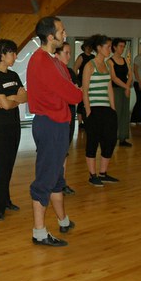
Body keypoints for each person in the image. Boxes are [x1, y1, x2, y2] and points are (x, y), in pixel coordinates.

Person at [26, 16, 82, 248]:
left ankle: (63, 220)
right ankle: (39, 232)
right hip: (50, 125)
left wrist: (73, 89)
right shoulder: (42, 61)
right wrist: (76, 90)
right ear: (50, 37)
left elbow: (69, 86)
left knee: (57, 177)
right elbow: (73, 94)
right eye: (61, 31)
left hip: (58, 124)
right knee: (45, 179)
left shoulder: (53, 60)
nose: (65, 34)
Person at [0, 39, 27, 220]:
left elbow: (26, 97)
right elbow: (3, 105)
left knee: (9, 165)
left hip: (14, 126)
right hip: (0, 128)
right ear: (2, 55)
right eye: (12, 53)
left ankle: (6, 200)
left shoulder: (14, 75)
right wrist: (13, 98)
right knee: (1, 166)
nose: (15, 56)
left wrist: (10, 99)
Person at [82, 34, 119, 185]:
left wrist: (113, 109)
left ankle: (103, 173)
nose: (110, 49)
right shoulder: (90, 65)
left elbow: (109, 88)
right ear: (99, 48)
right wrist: (88, 111)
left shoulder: (108, 65)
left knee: (110, 141)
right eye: (107, 47)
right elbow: (84, 91)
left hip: (107, 109)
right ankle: (93, 175)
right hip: (94, 109)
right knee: (93, 142)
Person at [55, 41, 78, 196]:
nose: (69, 56)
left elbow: (76, 93)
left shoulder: (69, 72)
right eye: (66, 53)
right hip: (57, 117)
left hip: (69, 114)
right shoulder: (54, 72)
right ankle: (55, 183)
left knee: (64, 151)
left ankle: (61, 183)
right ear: (57, 54)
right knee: (55, 152)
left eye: (70, 53)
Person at [108, 37, 132, 147]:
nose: (122, 48)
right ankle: (112, 137)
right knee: (116, 114)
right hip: (115, 90)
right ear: (114, 47)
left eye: (124, 46)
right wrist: (126, 87)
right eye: (120, 46)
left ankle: (123, 138)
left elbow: (130, 75)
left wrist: (127, 87)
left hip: (125, 89)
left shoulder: (125, 60)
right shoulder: (110, 61)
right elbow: (114, 78)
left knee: (125, 113)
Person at [74, 41, 94, 128]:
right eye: (87, 47)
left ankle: (88, 120)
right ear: (84, 47)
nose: (89, 48)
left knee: (90, 101)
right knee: (81, 102)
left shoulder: (93, 57)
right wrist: (78, 82)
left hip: (91, 81)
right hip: (82, 82)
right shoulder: (81, 57)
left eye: (90, 47)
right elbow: (75, 68)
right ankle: (80, 122)